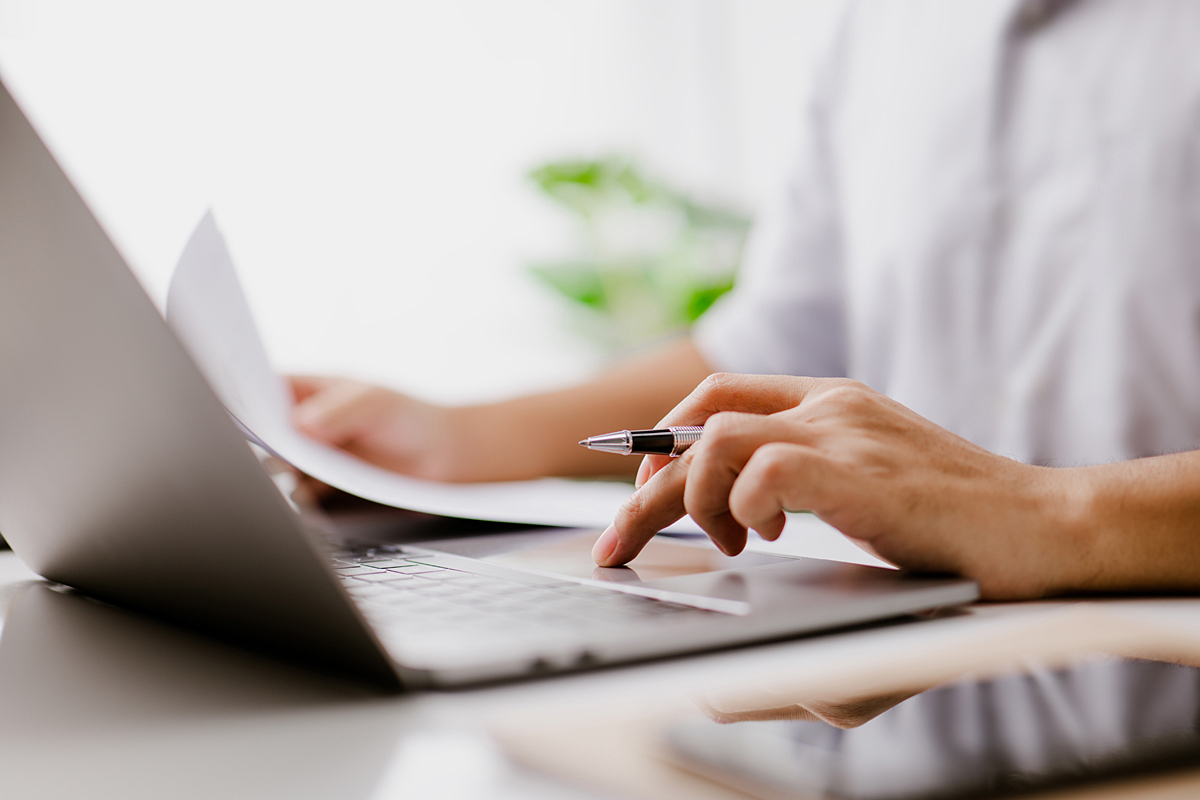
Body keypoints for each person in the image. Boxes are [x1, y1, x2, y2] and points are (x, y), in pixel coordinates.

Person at [290, 0, 1200, 598]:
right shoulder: (886, 28)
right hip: (933, 685)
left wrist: (1046, 514)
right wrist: (463, 441)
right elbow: (771, 353)